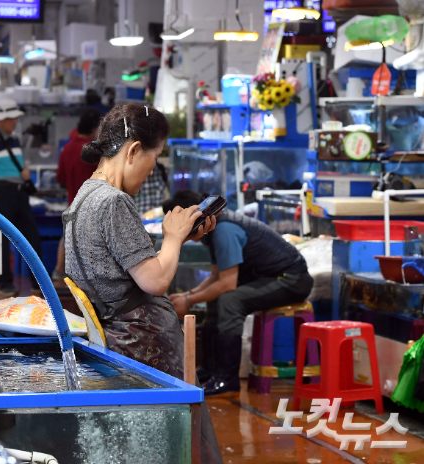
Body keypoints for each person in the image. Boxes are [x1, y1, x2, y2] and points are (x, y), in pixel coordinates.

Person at [63, 102, 222, 463]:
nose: (152, 170)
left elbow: (124, 265)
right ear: (134, 150)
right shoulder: (114, 202)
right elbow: (155, 281)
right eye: (155, 157)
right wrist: (170, 235)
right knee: (173, 442)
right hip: (144, 344)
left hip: (121, 342)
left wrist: (182, 238)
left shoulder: (84, 196)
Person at [166, 190, 314, 397]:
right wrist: (187, 296)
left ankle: (227, 378)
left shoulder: (224, 230)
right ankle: (210, 371)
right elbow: (217, 276)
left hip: (291, 279)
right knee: (216, 298)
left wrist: (188, 300)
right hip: (267, 279)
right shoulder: (213, 229)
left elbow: (227, 284)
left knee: (229, 300)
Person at [0, 99, 42, 298]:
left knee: (32, 237)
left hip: (20, 192)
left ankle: (37, 282)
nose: (14, 122)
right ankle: (5, 284)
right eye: (10, 118)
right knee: (2, 241)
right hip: (1, 192)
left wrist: (25, 172)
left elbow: (19, 161)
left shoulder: (15, 137)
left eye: (15, 118)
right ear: (1, 119)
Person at [52, 107, 103, 281]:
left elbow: (60, 178)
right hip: (91, 204)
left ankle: (59, 271)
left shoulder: (67, 148)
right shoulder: (92, 151)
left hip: (72, 201)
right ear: (94, 129)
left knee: (68, 235)